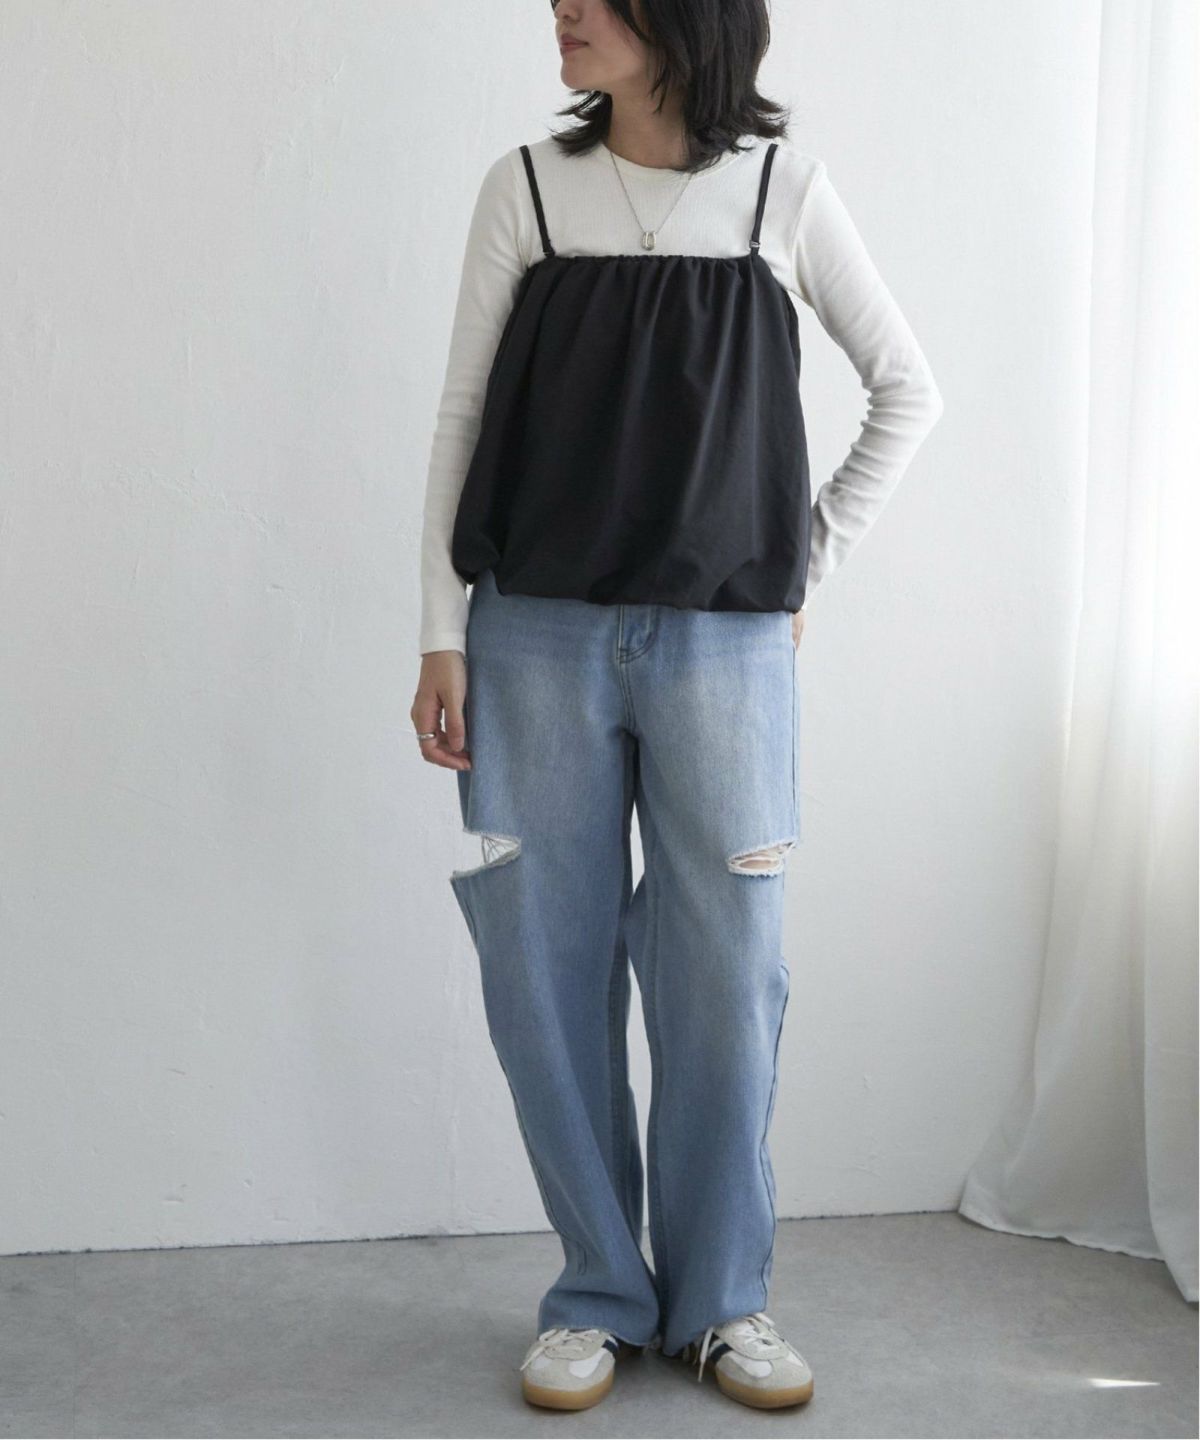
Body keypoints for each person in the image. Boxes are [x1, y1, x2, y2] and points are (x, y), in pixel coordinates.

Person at [411, 0, 943, 1413]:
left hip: (725, 650)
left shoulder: (782, 193)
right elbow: (461, 417)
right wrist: (441, 631)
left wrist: (800, 559)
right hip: (533, 632)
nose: (564, 9)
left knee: (727, 974)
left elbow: (908, 390)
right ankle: (596, 1292)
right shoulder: (528, 189)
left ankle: (721, 1302)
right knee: (543, 964)